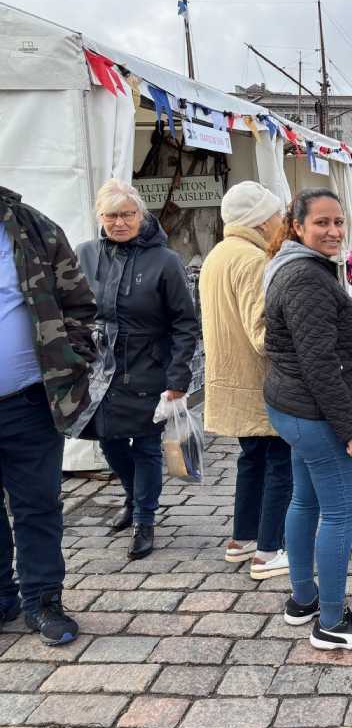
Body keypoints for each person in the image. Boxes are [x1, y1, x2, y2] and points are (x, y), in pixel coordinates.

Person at [262, 187, 352, 651]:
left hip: (292, 405)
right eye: (322, 223)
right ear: (297, 226)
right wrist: (349, 430)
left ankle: (303, 599)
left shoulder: (297, 266)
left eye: (338, 222)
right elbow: (316, 364)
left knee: (306, 502)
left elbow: (307, 341)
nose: (333, 231)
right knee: (338, 513)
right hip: (313, 411)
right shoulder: (307, 278)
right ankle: (332, 622)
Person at [74, 179, 198, 561]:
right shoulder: (86, 254)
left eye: (127, 214)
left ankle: (145, 518)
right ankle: (132, 495)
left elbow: (185, 323)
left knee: (146, 446)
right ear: (100, 217)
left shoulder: (166, 261)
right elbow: (74, 311)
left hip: (149, 366)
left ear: (140, 215)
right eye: (111, 216)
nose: (120, 222)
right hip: (102, 369)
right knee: (108, 439)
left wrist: (178, 378)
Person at [0, 185, 97, 645]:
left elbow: (78, 301)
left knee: (37, 505)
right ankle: (2, 598)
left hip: (28, 400)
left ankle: (43, 601)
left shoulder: (31, 228)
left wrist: (73, 356)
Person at [201, 181, 292, 580]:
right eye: (277, 215)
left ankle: (243, 539)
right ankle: (269, 550)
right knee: (278, 462)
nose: (283, 222)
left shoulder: (219, 254)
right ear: (259, 220)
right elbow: (263, 334)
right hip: (259, 381)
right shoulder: (255, 260)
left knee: (252, 459)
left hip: (231, 378)